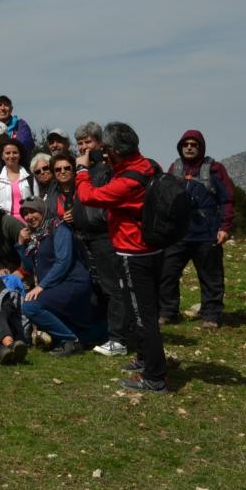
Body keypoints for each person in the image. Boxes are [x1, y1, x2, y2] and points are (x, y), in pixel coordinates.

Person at [76, 121, 169, 393]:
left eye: (107, 150)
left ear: (115, 151)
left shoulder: (127, 182)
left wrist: (82, 169)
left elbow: (88, 196)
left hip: (134, 252)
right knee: (140, 309)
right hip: (151, 249)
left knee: (142, 316)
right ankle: (144, 357)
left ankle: (154, 376)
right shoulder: (146, 166)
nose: (103, 154)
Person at [159, 130, 235, 328]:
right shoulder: (174, 169)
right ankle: (167, 312)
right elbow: (165, 199)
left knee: (211, 277)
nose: (189, 148)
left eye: (194, 144)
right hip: (178, 234)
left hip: (207, 233)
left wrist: (225, 227)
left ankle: (211, 315)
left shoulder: (215, 169)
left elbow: (227, 199)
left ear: (201, 147)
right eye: (186, 144)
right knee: (167, 274)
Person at [72, 121, 130, 358]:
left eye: (88, 141)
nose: (83, 147)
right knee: (98, 287)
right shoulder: (83, 168)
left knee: (113, 286)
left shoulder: (106, 167)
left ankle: (119, 338)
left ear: (99, 142)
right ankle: (104, 332)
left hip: (104, 235)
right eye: (80, 143)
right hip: (85, 236)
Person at [17, 197, 103, 356]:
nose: (29, 217)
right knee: (81, 330)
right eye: (25, 214)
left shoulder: (58, 227)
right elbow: (29, 267)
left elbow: (63, 262)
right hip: (56, 286)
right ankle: (77, 339)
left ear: (42, 210)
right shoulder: (37, 236)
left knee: (30, 306)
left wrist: (41, 286)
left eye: (32, 211)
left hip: (73, 282)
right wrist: (21, 244)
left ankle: (71, 341)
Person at [0, 139, 36, 221]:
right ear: (2, 156)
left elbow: (37, 204)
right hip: (5, 225)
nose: (11, 156)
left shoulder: (30, 178)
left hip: (28, 223)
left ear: (20, 155)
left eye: (15, 153)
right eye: (7, 153)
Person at [42, 153, 77, 224]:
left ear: (73, 170)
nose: (62, 171)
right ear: (54, 173)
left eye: (67, 168)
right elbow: (47, 220)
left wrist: (78, 214)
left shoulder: (83, 187)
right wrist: (61, 220)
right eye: (58, 169)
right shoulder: (50, 194)